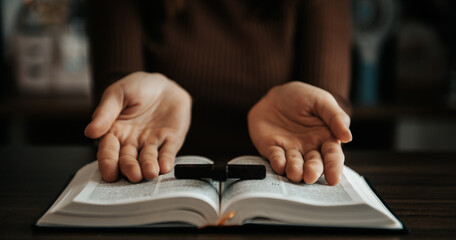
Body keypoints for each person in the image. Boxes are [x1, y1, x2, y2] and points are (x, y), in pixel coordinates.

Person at [84, 0, 352, 186]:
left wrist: (320, 107)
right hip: (160, 172)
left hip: (277, 172)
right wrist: (126, 97)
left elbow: (326, 97)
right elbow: (118, 85)